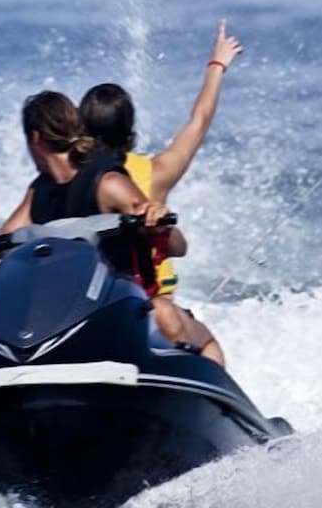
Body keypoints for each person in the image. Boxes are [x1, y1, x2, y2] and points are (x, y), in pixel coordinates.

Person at [0, 91, 218, 360]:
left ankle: (209, 356)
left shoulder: (108, 183)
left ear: (35, 139)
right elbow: (5, 237)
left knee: (164, 314)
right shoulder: (39, 191)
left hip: (127, 304)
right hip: (68, 314)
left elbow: (179, 247)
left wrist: (157, 225)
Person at [78, 20, 242, 364]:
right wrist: (217, 65)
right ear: (129, 130)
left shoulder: (72, 181)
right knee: (208, 344)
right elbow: (199, 121)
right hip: (154, 313)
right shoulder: (155, 173)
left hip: (89, 313)